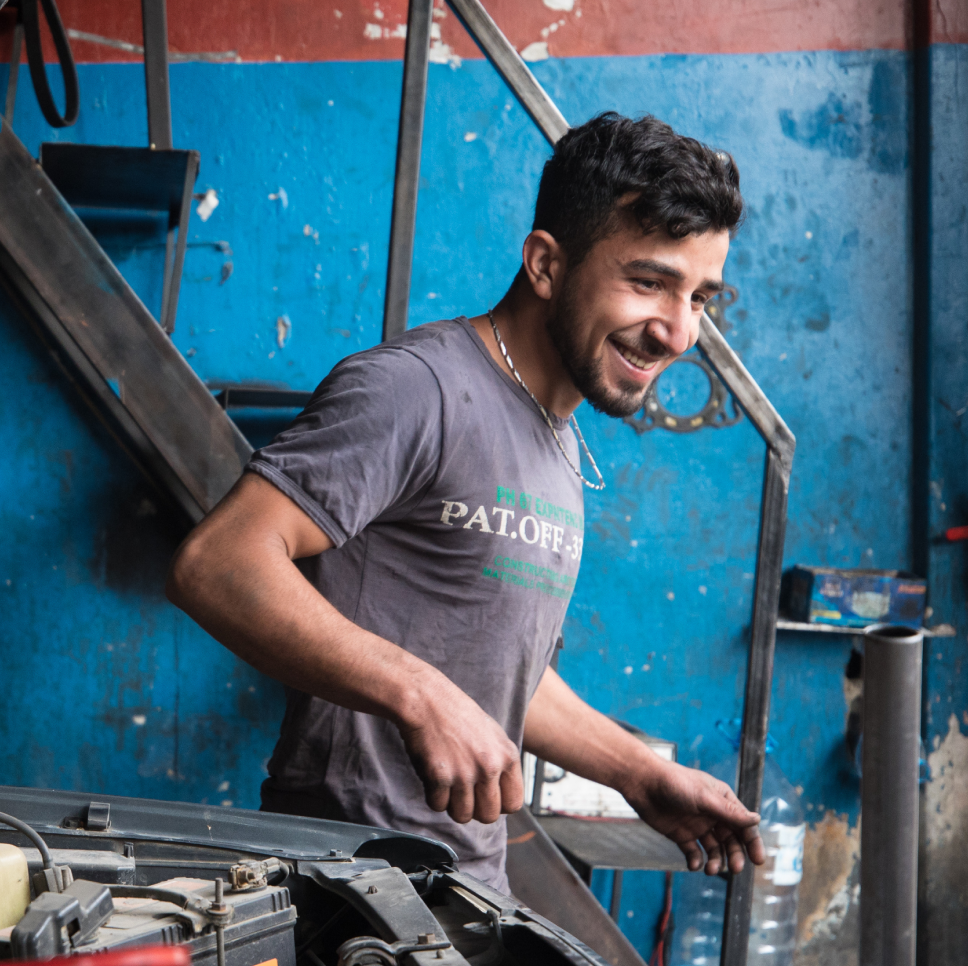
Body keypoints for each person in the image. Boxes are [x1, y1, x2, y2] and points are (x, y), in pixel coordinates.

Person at [166, 112, 765, 892]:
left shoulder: (556, 436)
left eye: (700, 297)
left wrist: (639, 774)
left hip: (466, 886)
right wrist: (417, 693)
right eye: (648, 282)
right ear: (547, 264)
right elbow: (216, 563)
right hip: (351, 885)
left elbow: (499, 672)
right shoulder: (416, 389)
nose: (679, 332)